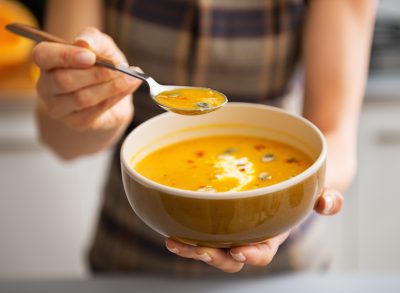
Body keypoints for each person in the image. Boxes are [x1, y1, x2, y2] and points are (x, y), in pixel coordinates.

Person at [33, 0, 376, 275]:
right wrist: (100, 112)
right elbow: (60, 140)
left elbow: (334, 134)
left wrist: (309, 191)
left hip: (283, 262)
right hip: (133, 262)